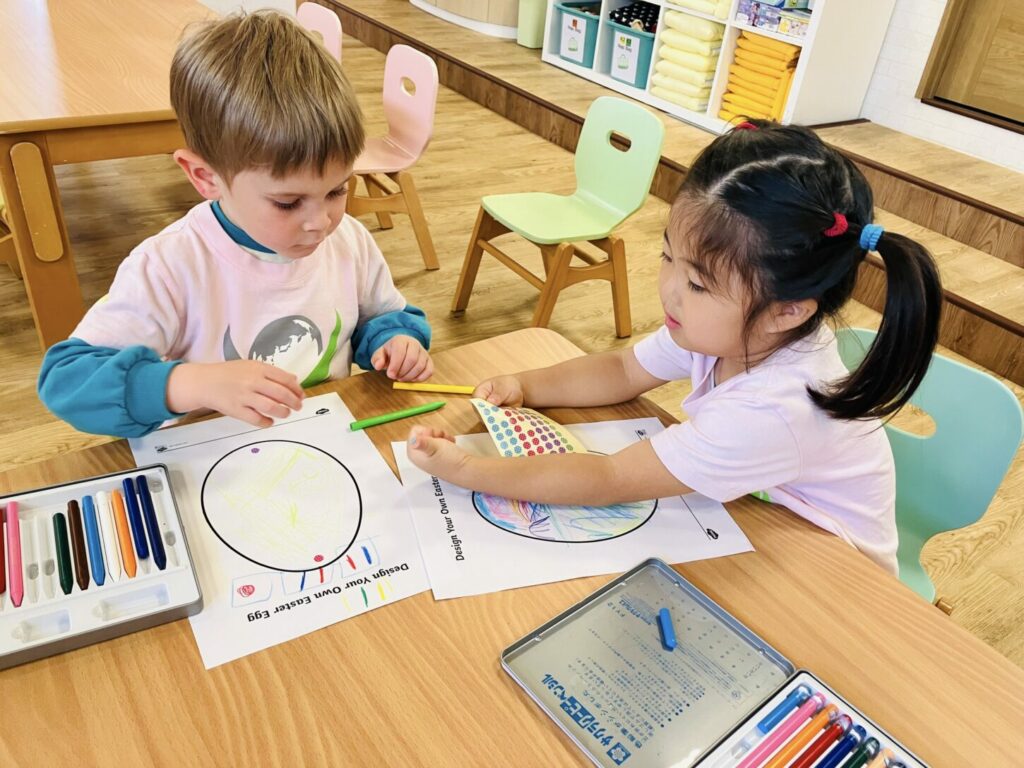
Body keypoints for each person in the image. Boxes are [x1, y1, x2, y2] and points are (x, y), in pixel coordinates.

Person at [407, 120, 942, 574]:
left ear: (787, 310)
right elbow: (622, 370)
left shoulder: (772, 408)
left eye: (698, 284)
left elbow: (609, 478)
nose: (668, 290)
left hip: (833, 578)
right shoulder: (728, 331)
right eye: (667, 258)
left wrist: (468, 470)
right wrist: (526, 385)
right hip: (767, 526)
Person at [39, 11, 433, 437]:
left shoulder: (349, 241)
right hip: (212, 454)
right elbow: (67, 381)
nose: (321, 222)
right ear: (205, 177)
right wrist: (189, 384)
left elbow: (384, 316)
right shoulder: (170, 265)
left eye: (337, 190)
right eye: (287, 203)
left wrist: (395, 342)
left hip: (323, 440)